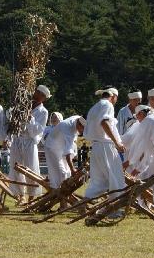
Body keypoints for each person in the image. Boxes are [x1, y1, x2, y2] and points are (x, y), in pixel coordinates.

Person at [83, 86, 126, 217]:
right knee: (115, 178)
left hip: (96, 147)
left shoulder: (94, 107)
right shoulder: (107, 105)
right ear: (113, 96)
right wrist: (117, 142)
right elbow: (104, 123)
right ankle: (113, 210)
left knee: (98, 180)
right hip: (106, 146)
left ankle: (83, 203)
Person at [8, 85, 50, 204]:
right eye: (36, 92)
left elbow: (37, 130)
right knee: (15, 167)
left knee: (31, 169)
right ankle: (20, 196)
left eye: (39, 94)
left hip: (30, 142)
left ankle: (31, 197)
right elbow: (12, 119)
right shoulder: (22, 104)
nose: (35, 95)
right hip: (17, 139)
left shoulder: (43, 112)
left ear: (43, 98)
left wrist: (29, 118)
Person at [43, 112, 83, 189]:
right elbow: (68, 153)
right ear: (79, 124)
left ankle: (62, 189)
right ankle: (58, 190)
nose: (82, 132)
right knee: (62, 173)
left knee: (67, 172)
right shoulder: (68, 128)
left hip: (61, 148)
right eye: (82, 129)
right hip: (52, 148)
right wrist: (73, 169)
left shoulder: (78, 118)